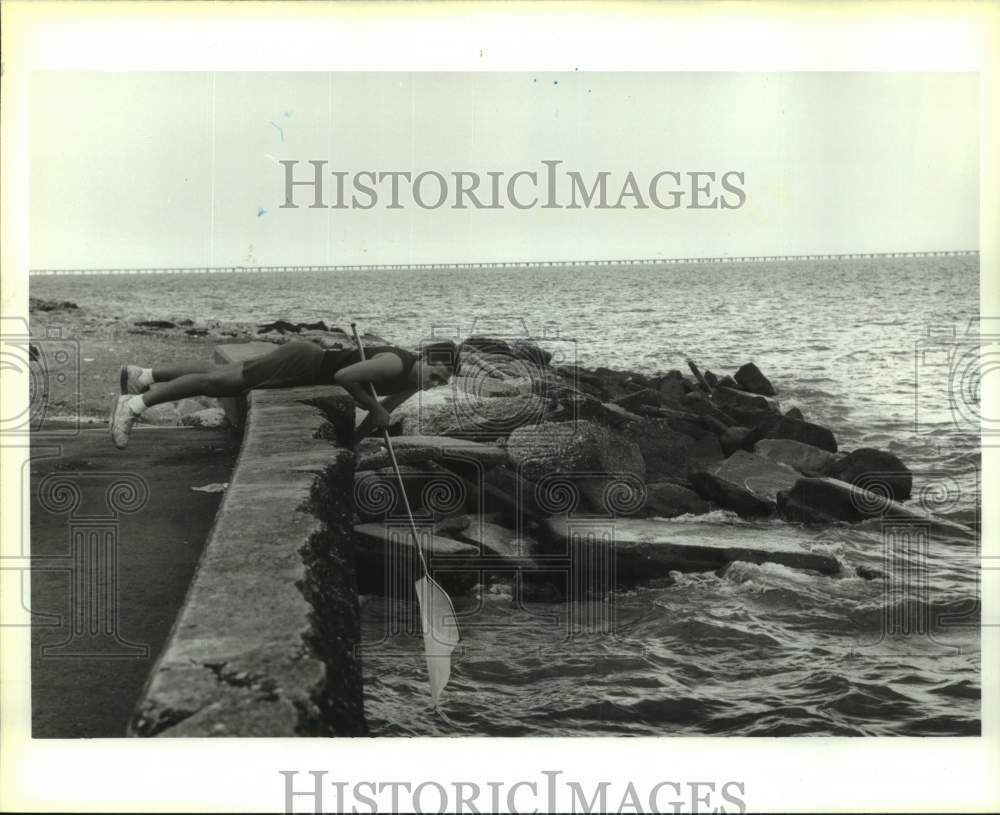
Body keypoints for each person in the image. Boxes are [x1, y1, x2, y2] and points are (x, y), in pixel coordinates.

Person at [108, 338, 462, 449]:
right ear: (427, 356)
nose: (433, 384)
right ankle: (135, 404)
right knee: (215, 385)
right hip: (303, 363)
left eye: (440, 383)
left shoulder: (409, 380)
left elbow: (377, 415)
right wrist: (374, 407)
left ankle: (144, 375)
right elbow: (344, 376)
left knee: (217, 374)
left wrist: (351, 446)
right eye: (436, 374)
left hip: (302, 361)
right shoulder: (395, 365)